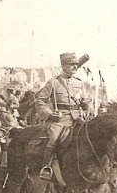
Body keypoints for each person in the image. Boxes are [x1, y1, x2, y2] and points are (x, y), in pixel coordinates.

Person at [34, 52, 91, 181]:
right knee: (53, 138)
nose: (75, 67)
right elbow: (40, 100)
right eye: (71, 64)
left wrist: (89, 107)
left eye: (76, 64)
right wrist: (49, 114)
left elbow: (85, 100)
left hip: (78, 118)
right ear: (64, 66)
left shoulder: (79, 83)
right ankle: (46, 168)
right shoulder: (53, 83)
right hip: (60, 119)